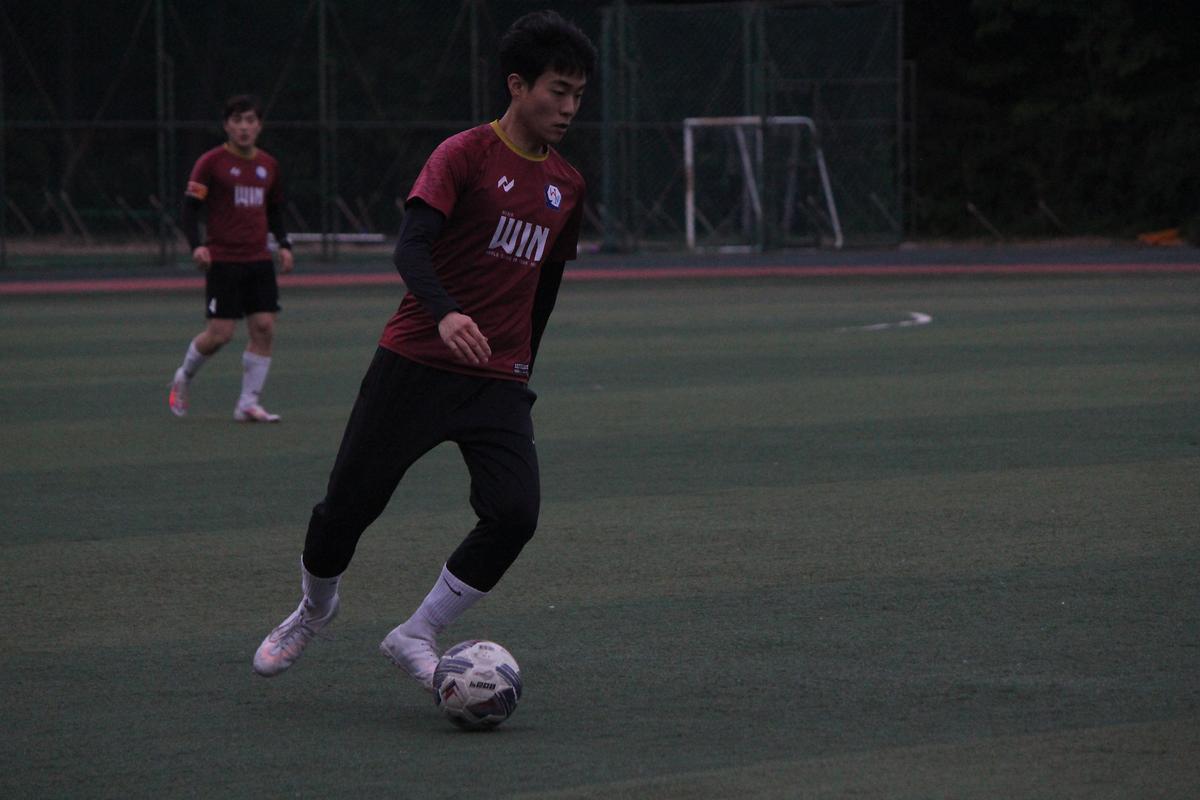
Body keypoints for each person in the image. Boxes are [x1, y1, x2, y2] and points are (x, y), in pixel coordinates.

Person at [252, 10, 596, 690]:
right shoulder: (463, 154)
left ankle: (417, 631)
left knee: (515, 514)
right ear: (518, 85)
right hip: (415, 362)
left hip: (496, 380)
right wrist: (445, 314)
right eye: (558, 91)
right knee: (344, 511)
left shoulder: (568, 185)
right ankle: (313, 611)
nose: (568, 108)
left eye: (578, 95)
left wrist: (522, 366)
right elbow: (410, 249)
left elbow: (545, 288)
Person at [169, 94, 294, 423]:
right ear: (226, 125)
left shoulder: (269, 165)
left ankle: (248, 403)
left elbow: (275, 210)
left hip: (259, 260)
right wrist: (196, 246)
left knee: (264, 328)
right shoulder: (211, 163)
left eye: (250, 120)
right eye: (237, 121)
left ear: (259, 126)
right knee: (220, 335)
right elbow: (189, 209)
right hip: (223, 260)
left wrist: (284, 244)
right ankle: (184, 375)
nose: (244, 127)